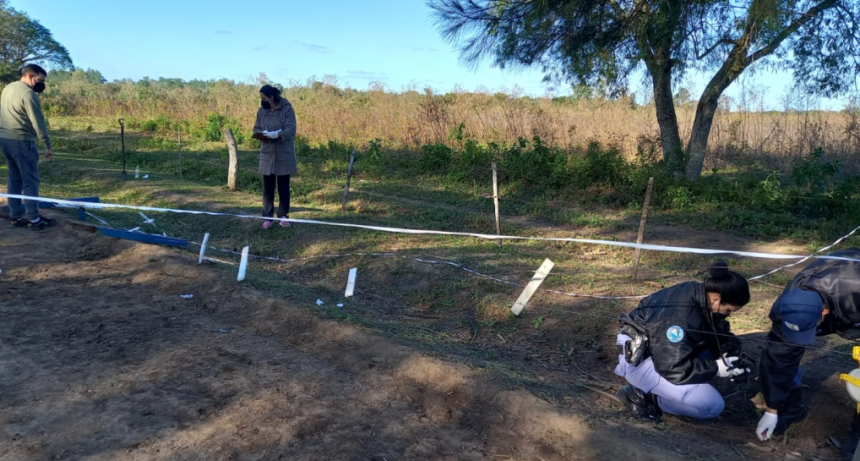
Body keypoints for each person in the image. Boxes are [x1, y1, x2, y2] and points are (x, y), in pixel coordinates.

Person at [756, 248, 860, 458]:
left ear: (824, 312)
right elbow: (780, 357)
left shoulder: (855, 293)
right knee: (783, 350)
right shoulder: (785, 309)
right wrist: (772, 409)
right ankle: (791, 407)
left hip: (853, 295)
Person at [615, 262, 751, 421]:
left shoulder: (699, 292)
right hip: (641, 361)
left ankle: (661, 390)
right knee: (712, 406)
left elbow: (706, 328)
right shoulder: (678, 320)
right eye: (728, 310)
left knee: (712, 357)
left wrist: (731, 348)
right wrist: (716, 367)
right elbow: (674, 369)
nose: (728, 315)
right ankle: (642, 395)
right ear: (716, 299)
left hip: (660, 352)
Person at [1, 64, 57, 231]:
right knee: (30, 181)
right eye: (40, 80)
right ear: (31, 76)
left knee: (14, 180)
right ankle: (34, 219)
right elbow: (37, 121)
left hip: (5, 139)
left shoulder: (8, 88)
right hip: (23, 141)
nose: (41, 84)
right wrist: (47, 145)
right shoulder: (28, 93)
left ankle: (16, 217)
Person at [252, 84, 297, 229]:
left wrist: (277, 134)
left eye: (264, 98)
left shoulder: (287, 109)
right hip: (267, 154)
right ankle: (267, 217)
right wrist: (262, 134)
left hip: (284, 154)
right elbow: (256, 128)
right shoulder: (261, 111)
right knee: (267, 188)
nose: (262, 101)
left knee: (283, 187)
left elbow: (291, 129)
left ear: (271, 97)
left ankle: (283, 216)